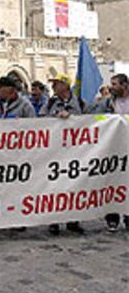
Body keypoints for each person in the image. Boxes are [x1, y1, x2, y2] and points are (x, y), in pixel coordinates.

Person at [40, 73, 84, 235]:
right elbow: (41, 118)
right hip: (55, 152)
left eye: (56, 84)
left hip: (75, 152)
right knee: (55, 187)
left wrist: (71, 118)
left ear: (65, 86)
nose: (53, 87)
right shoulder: (51, 102)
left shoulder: (79, 102)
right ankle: (54, 221)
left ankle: (73, 220)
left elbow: (88, 120)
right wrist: (55, 118)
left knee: (75, 186)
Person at [89, 73, 129, 232]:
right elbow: (96, 118)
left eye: (114, 84)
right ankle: (112, 218)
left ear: (124, 85)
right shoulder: (108, 102)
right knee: (111, 182)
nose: (111, 87)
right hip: (112, 147)